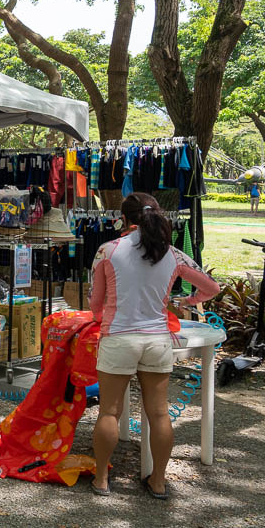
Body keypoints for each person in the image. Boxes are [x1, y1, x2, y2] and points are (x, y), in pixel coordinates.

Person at [88, 192, 220, 499]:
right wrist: (186, 301)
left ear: (124, 218)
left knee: (108, 411)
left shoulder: (107, 251)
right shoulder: (172, 254)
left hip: (118, 338)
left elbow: (95, 304)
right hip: (157, 340)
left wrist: (106, 315)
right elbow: (211, 287)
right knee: (159, 414)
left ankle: (101, 480)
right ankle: (158, 482)